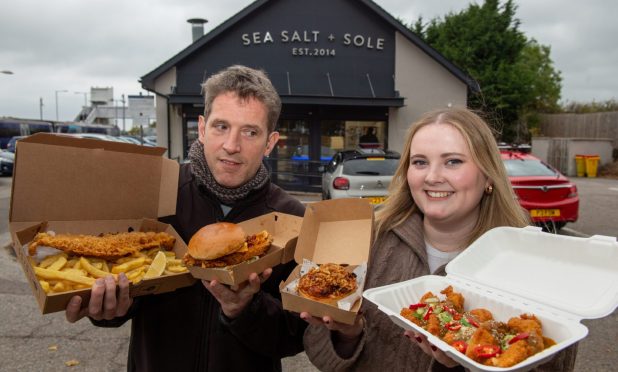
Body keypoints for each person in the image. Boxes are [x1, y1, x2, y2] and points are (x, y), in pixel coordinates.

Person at [65, 65, 308, 371]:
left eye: (250, 132)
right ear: (202, 129)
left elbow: (296, 334)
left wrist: (246, 309)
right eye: (221, 127)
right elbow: (123, 288)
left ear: (270, 142)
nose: (232, 145)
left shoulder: (293, 218)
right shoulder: (156, 195)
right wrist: (110, 309)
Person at [301, 107, 577, 371]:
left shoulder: (530, 261)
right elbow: (317, 349)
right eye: (420, 162)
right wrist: (349, 333)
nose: (432, 177)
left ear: (488, 174)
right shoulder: (369, 237)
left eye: (453, 161)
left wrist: (465, 365)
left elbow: (555, 364)